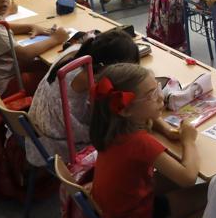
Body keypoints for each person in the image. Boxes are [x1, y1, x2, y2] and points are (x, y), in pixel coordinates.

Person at [89, 63, 207, 218]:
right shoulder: (139, 142)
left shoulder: (113, 126)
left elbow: (152, 116)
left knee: (173, 175)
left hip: (118, 212)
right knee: (213, 191)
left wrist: (166, 129)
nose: (161, 98)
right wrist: (189, 140)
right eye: (152, 95)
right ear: (127, 110)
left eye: (158, 88)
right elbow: (188, 178)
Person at [26, 29, 140, 166]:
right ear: (112, 66)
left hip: (40, 128)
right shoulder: (90, 77)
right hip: (58, 144)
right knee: (126, 130)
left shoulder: (77, 51)